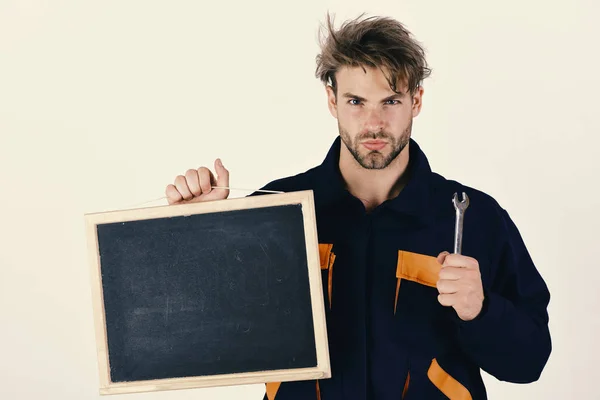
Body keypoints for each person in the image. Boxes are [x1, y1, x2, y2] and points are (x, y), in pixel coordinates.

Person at [165, 13, 551, 400]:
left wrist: (480, 311)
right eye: (356, 101)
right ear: (332, 100)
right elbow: (199, 340)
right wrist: (201, 233)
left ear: (416, 100)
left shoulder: (472, 217)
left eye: (391, 101)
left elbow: (529, 362)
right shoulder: (275, 213)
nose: (374, 124)